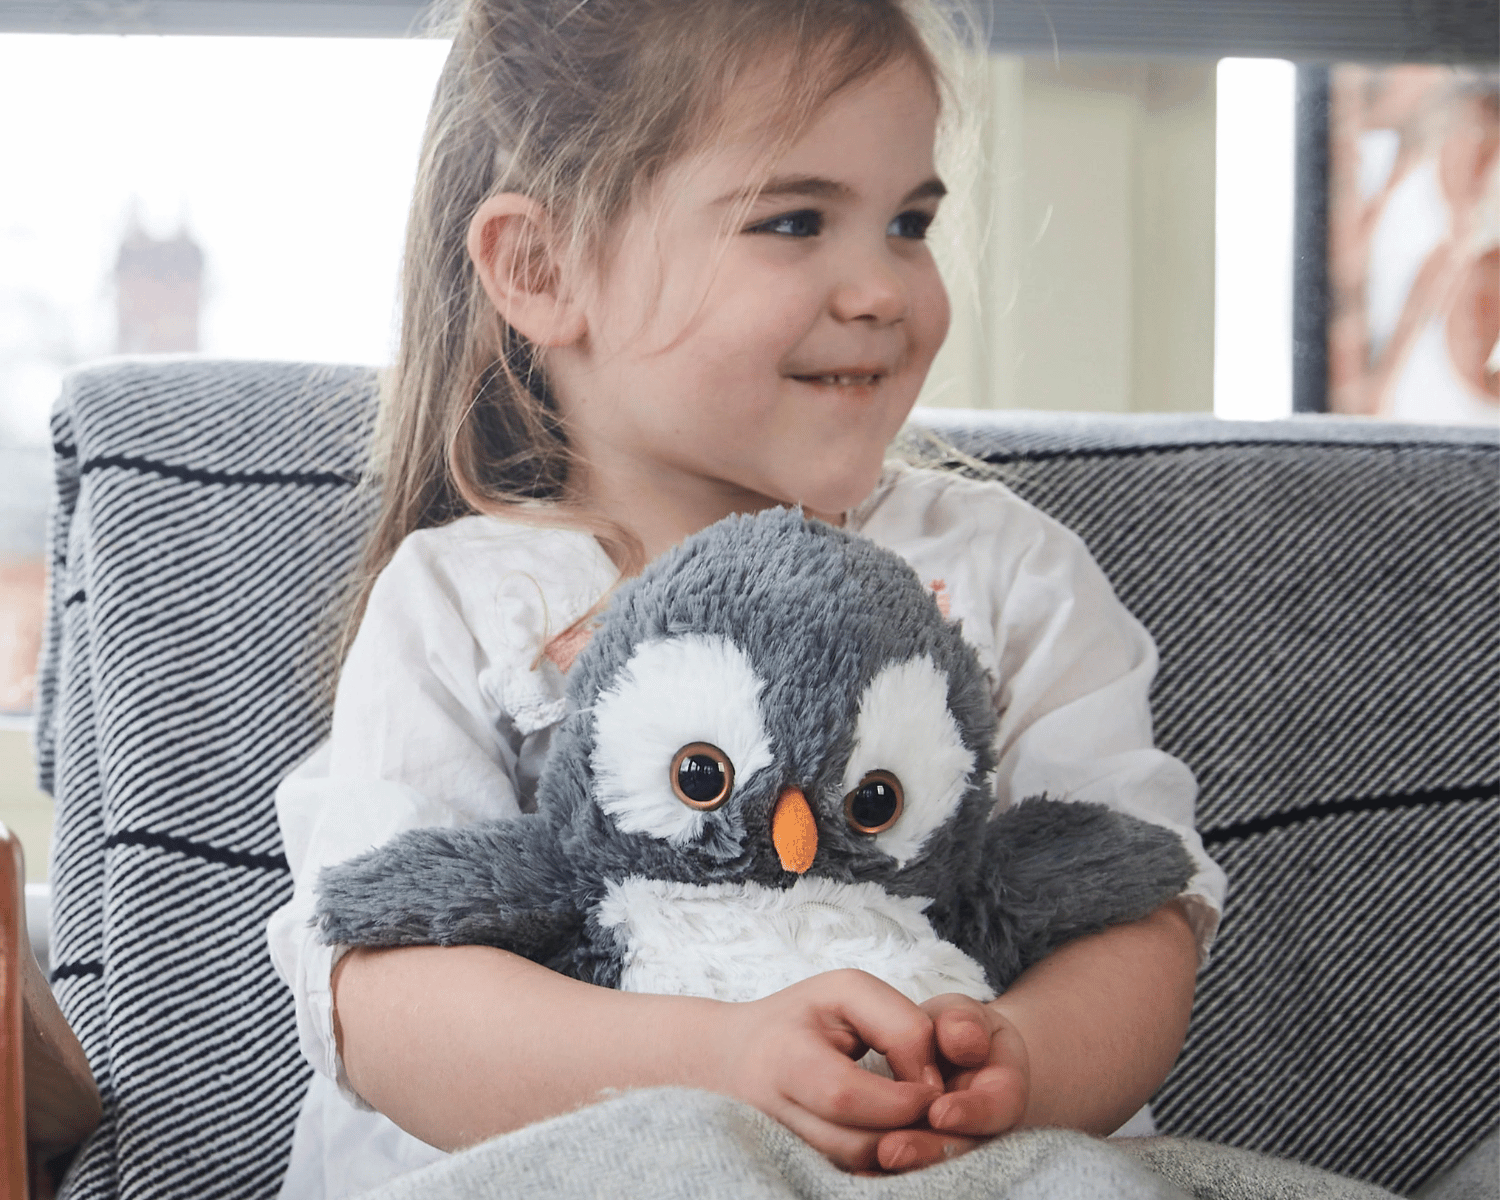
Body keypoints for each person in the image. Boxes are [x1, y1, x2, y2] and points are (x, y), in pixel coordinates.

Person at [265, 0, 1228, 1195]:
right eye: (795, 219)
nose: (884, 290)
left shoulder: (1009, 575)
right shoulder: (470, 607)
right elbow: (392, 995)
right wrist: (724, 1065)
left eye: (909, 223)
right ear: (543, 266)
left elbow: (1137, 911)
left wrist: (1016, 1063)